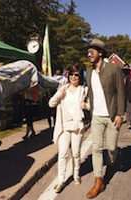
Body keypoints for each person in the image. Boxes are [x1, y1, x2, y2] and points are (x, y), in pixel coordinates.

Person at [85, 39, 125, 199]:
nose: (89, 54)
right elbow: (90, 92)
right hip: (96, 116)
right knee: (96, 148)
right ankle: (98, 181)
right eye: (88, 52)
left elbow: (121, 92)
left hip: (112, 115)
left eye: (92, 51)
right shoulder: (88, 71)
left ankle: (110, 165)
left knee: (112, 147)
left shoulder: (114, 69)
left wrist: (121, 114)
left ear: (100, 53)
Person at [48, 63, 89, 193]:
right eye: (70, 74)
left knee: (76, 153)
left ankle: (76, 174)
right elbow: (51, 103)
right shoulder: (64, 89)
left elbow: (92, 106)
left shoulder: (84, 90)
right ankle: (61, 180)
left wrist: (85, 106)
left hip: (77, 126)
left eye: (76, 74)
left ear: (80, 76)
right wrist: (60, 94)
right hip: (64, 126)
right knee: (63, 154)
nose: (73, 77)